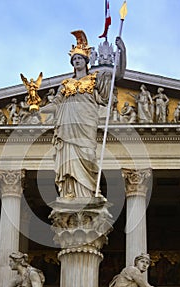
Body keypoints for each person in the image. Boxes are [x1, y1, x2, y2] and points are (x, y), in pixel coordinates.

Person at [40, 30, 126, 198]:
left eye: (79, 58)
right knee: (69, 160)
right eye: (74, 59)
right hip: (66, 128)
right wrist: (38, 109)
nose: (77, 61)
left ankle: (89, 194)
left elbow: (118, 74)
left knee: (88, 157)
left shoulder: (94, 80)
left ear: (86, 61)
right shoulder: (66, 84)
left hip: (86, 126)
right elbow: (56, 104)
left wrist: (122, 52)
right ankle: (70, 193)